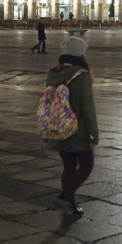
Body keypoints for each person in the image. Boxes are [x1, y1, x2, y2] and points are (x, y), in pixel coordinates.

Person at [47, 36, 98, 217]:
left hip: (58, 126)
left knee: (69, 166)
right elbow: (88, 108)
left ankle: (70, 205)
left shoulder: (53, 72)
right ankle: (66, 196)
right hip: (78, 129)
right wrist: (94, 135)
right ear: (81, 54)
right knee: (86, 165)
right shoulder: (81, 75)